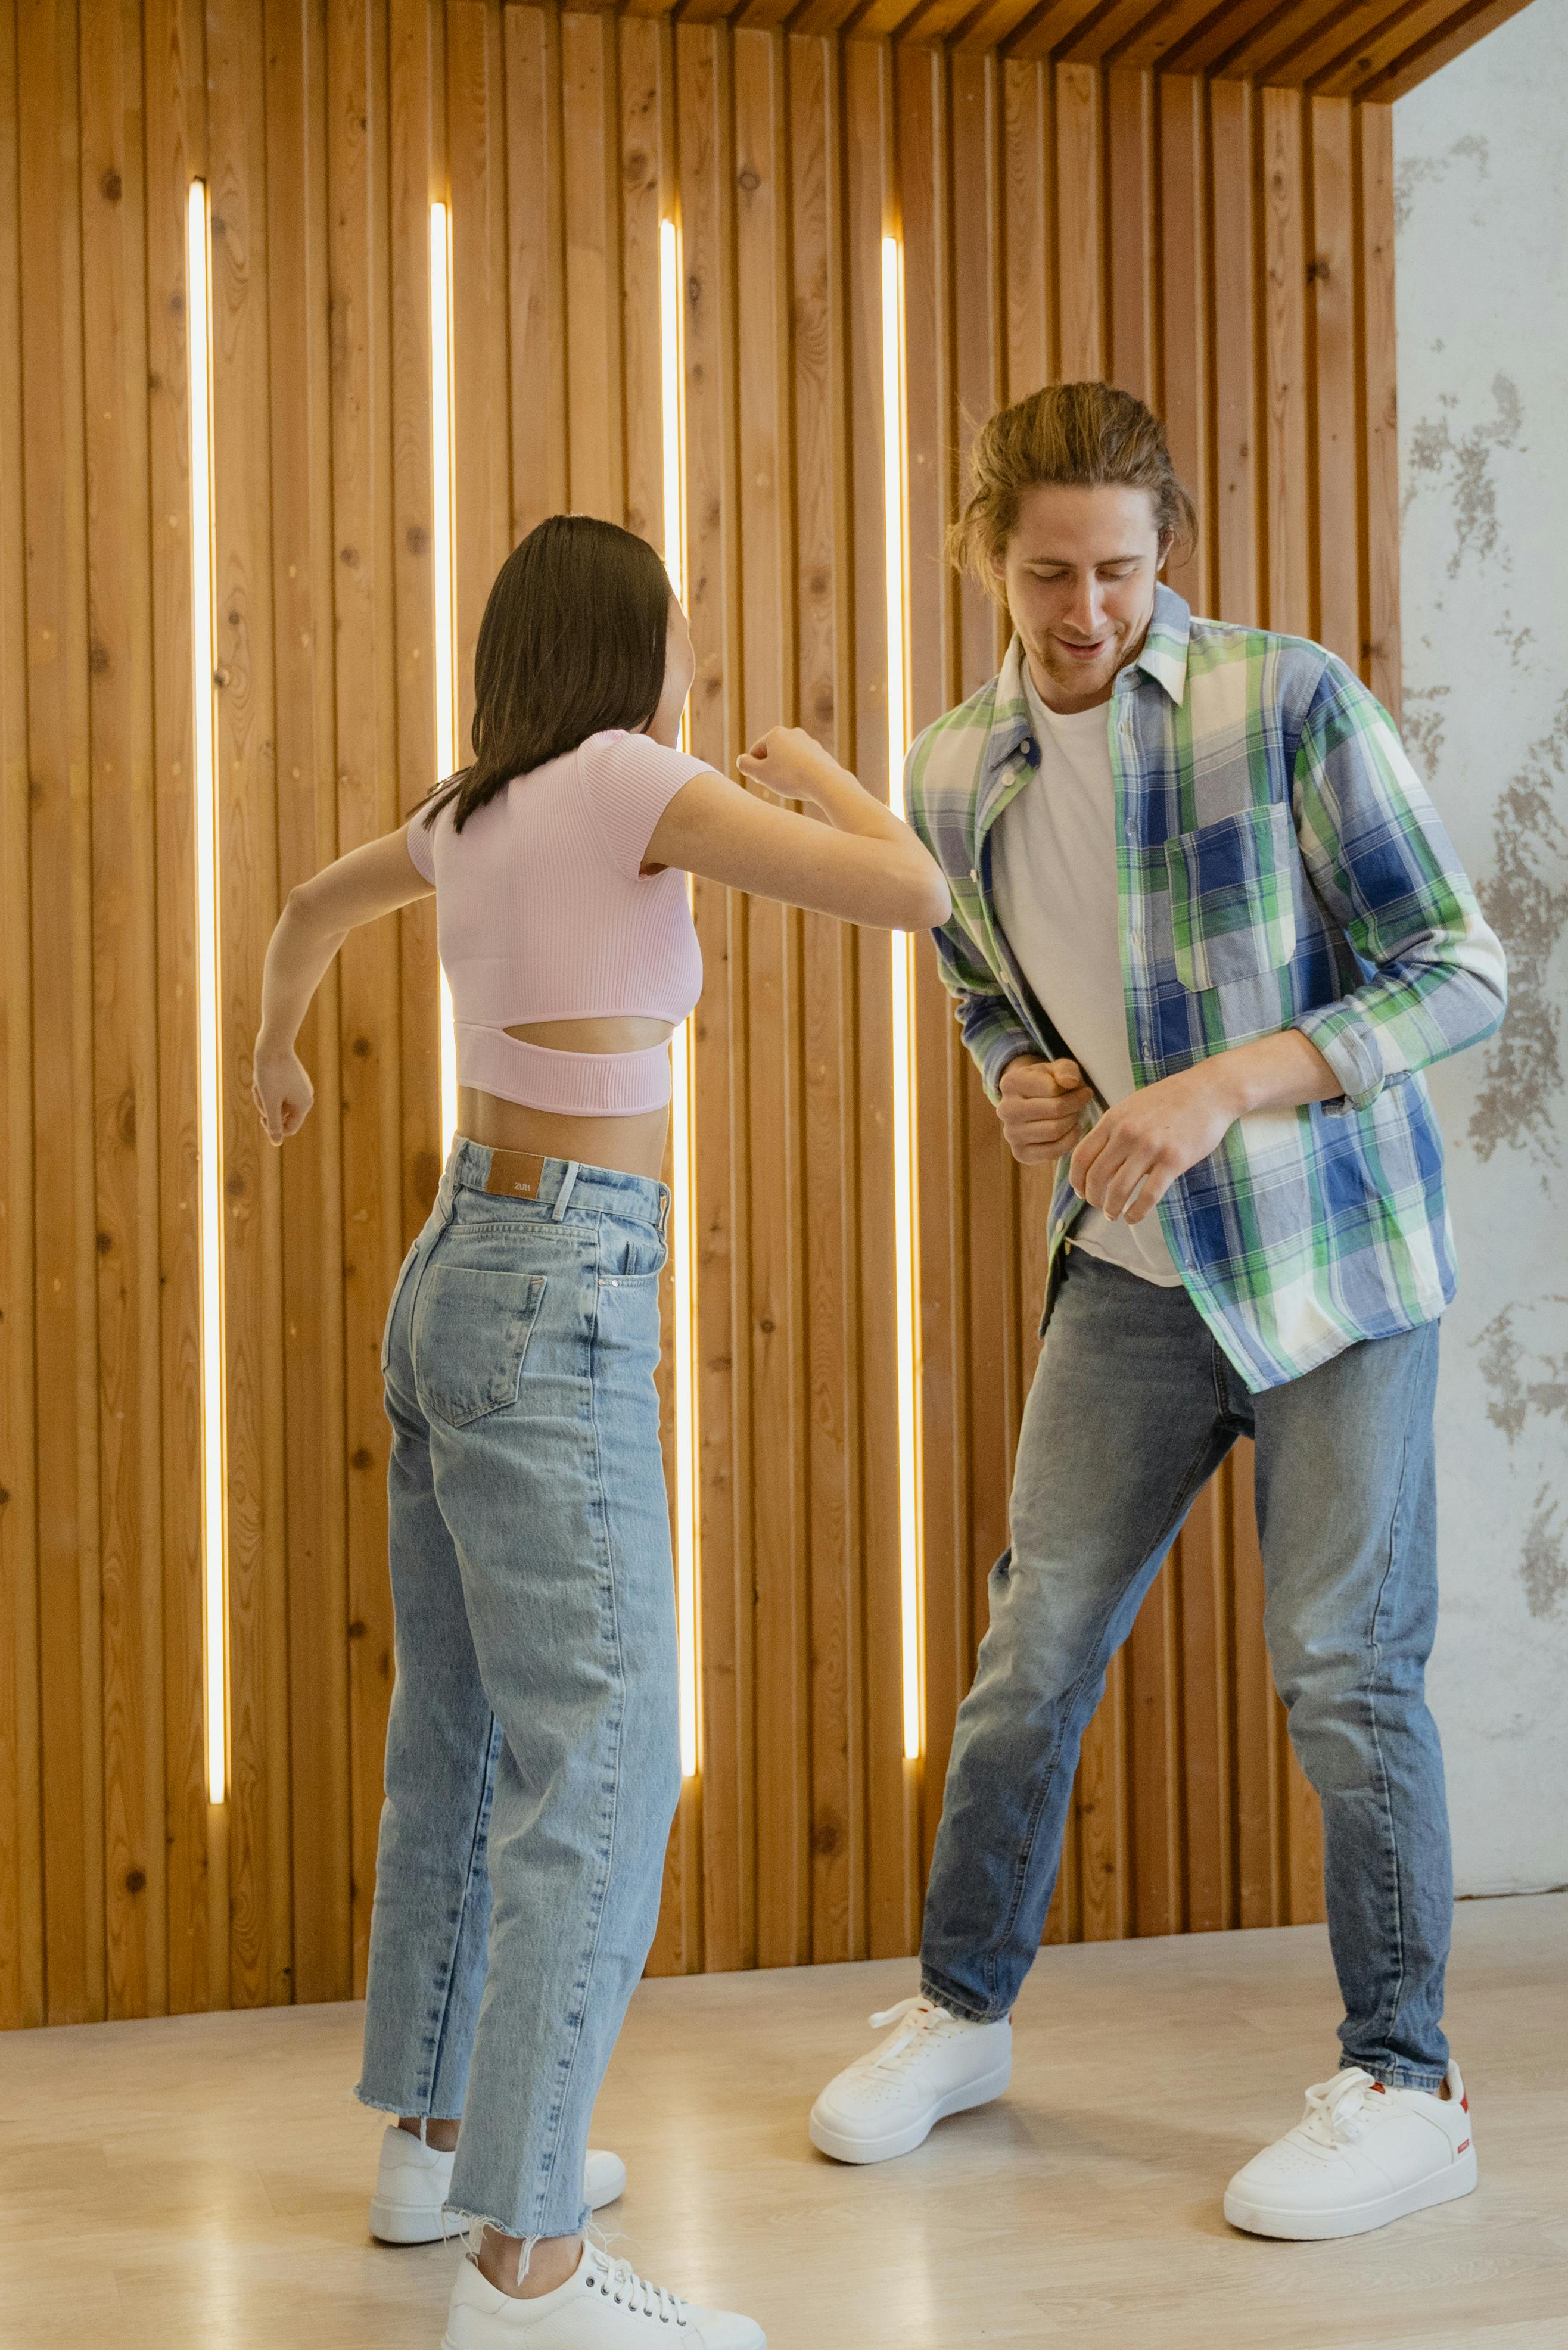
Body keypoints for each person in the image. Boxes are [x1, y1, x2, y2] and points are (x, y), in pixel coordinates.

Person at [804, 382, 1509, 2243]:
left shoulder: (1285, 703)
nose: (1089, 608)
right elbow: (988, 995)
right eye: (1050, 571)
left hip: (1333, 1263)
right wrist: (1020, 1088)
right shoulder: (953, 769)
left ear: (1164, 553)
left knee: (1347, 1671)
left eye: (1123, 568)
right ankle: (959, 2011)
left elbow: (1461, 969)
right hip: (1130, 1280)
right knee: (1031, 1651)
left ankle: (1410, 2079)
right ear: (985, 555)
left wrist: (1225, 1083)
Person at [253, 513, 945, 2346]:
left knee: (466, 1733)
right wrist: (811, 768)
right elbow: (917, 894)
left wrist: (279, 1054)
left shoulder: (466, 807)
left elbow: (309, 913)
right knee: (614, 1755)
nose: (692, 679)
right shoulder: (633, 776)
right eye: (682, 645)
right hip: (557, 1286)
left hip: (455, 1266)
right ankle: (531, 2265)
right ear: (634, 653)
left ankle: (444, 2138)